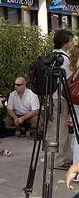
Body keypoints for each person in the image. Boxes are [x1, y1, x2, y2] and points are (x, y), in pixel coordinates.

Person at [48, 29, 74, 170]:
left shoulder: (52, 55)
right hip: (63, 97)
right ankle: (59, 160)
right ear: (65, 42)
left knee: (58, 128)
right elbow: (69, 80)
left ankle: (64, 157)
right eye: (71, 40)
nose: (72, 43)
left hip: (53, 96)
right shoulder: (64, 58)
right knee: (63, 129)